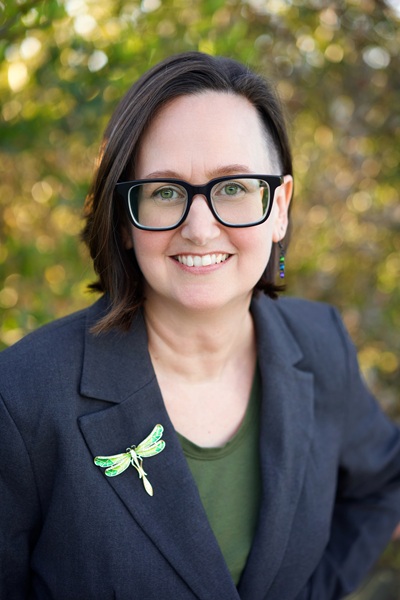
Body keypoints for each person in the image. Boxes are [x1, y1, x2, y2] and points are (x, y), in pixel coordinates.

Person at [0, 51, 399, 600]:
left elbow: (383, 484)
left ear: (279, 206)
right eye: (166, 192)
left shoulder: (320, 341)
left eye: (233, 187)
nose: (201, 227)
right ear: (123, 221)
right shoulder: (22, 396)